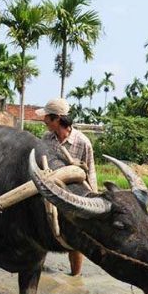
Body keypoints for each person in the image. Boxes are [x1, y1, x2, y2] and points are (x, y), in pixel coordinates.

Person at [36, 98, 97, 276]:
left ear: (56, 119)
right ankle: (37, 268)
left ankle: (75, 277)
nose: (44, 120)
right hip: (50, 192)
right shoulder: (46, 139)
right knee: (43, 231)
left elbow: (90, 172)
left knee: (76, 240)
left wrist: (91, 202)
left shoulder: (82, 142)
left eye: (47, 117)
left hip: (73, 197)